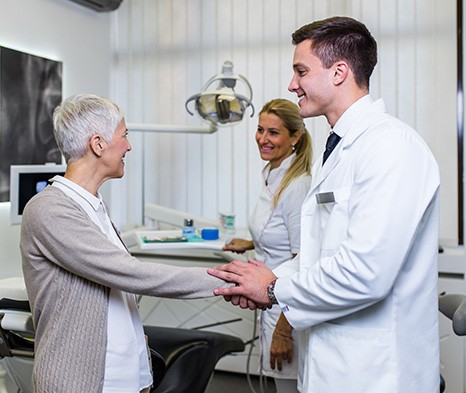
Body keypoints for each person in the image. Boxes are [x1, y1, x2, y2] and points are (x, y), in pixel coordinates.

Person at [208, 16, 441, 393]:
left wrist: (273, 290)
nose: (291, 84)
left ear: (339, 72)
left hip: (376, 375)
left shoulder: (391, 148)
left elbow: (366, 272)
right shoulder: (334, 154)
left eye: (301, 71)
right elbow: (318, 255)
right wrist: (264, 281)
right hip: (330, 366)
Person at [20, 94, 230, 393]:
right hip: (79, 381)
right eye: (124, 135)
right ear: (98, 144)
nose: (129, 146)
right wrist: (228, 280)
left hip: (125, 376)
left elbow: (111, 294)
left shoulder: (92, 206)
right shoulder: (49, 209)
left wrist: (133, 339)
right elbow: (129, 273)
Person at [223, 98, 312, 392]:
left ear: (295, 137)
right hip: (272, 299)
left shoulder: (297, 185)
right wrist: (251, 242)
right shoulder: (272, 175)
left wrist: (284, 330)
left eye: (273, 132)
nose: (263, 138)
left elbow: (304, 261)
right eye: (260, 130)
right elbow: (283, 232)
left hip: (287, 309)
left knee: (288, 386)